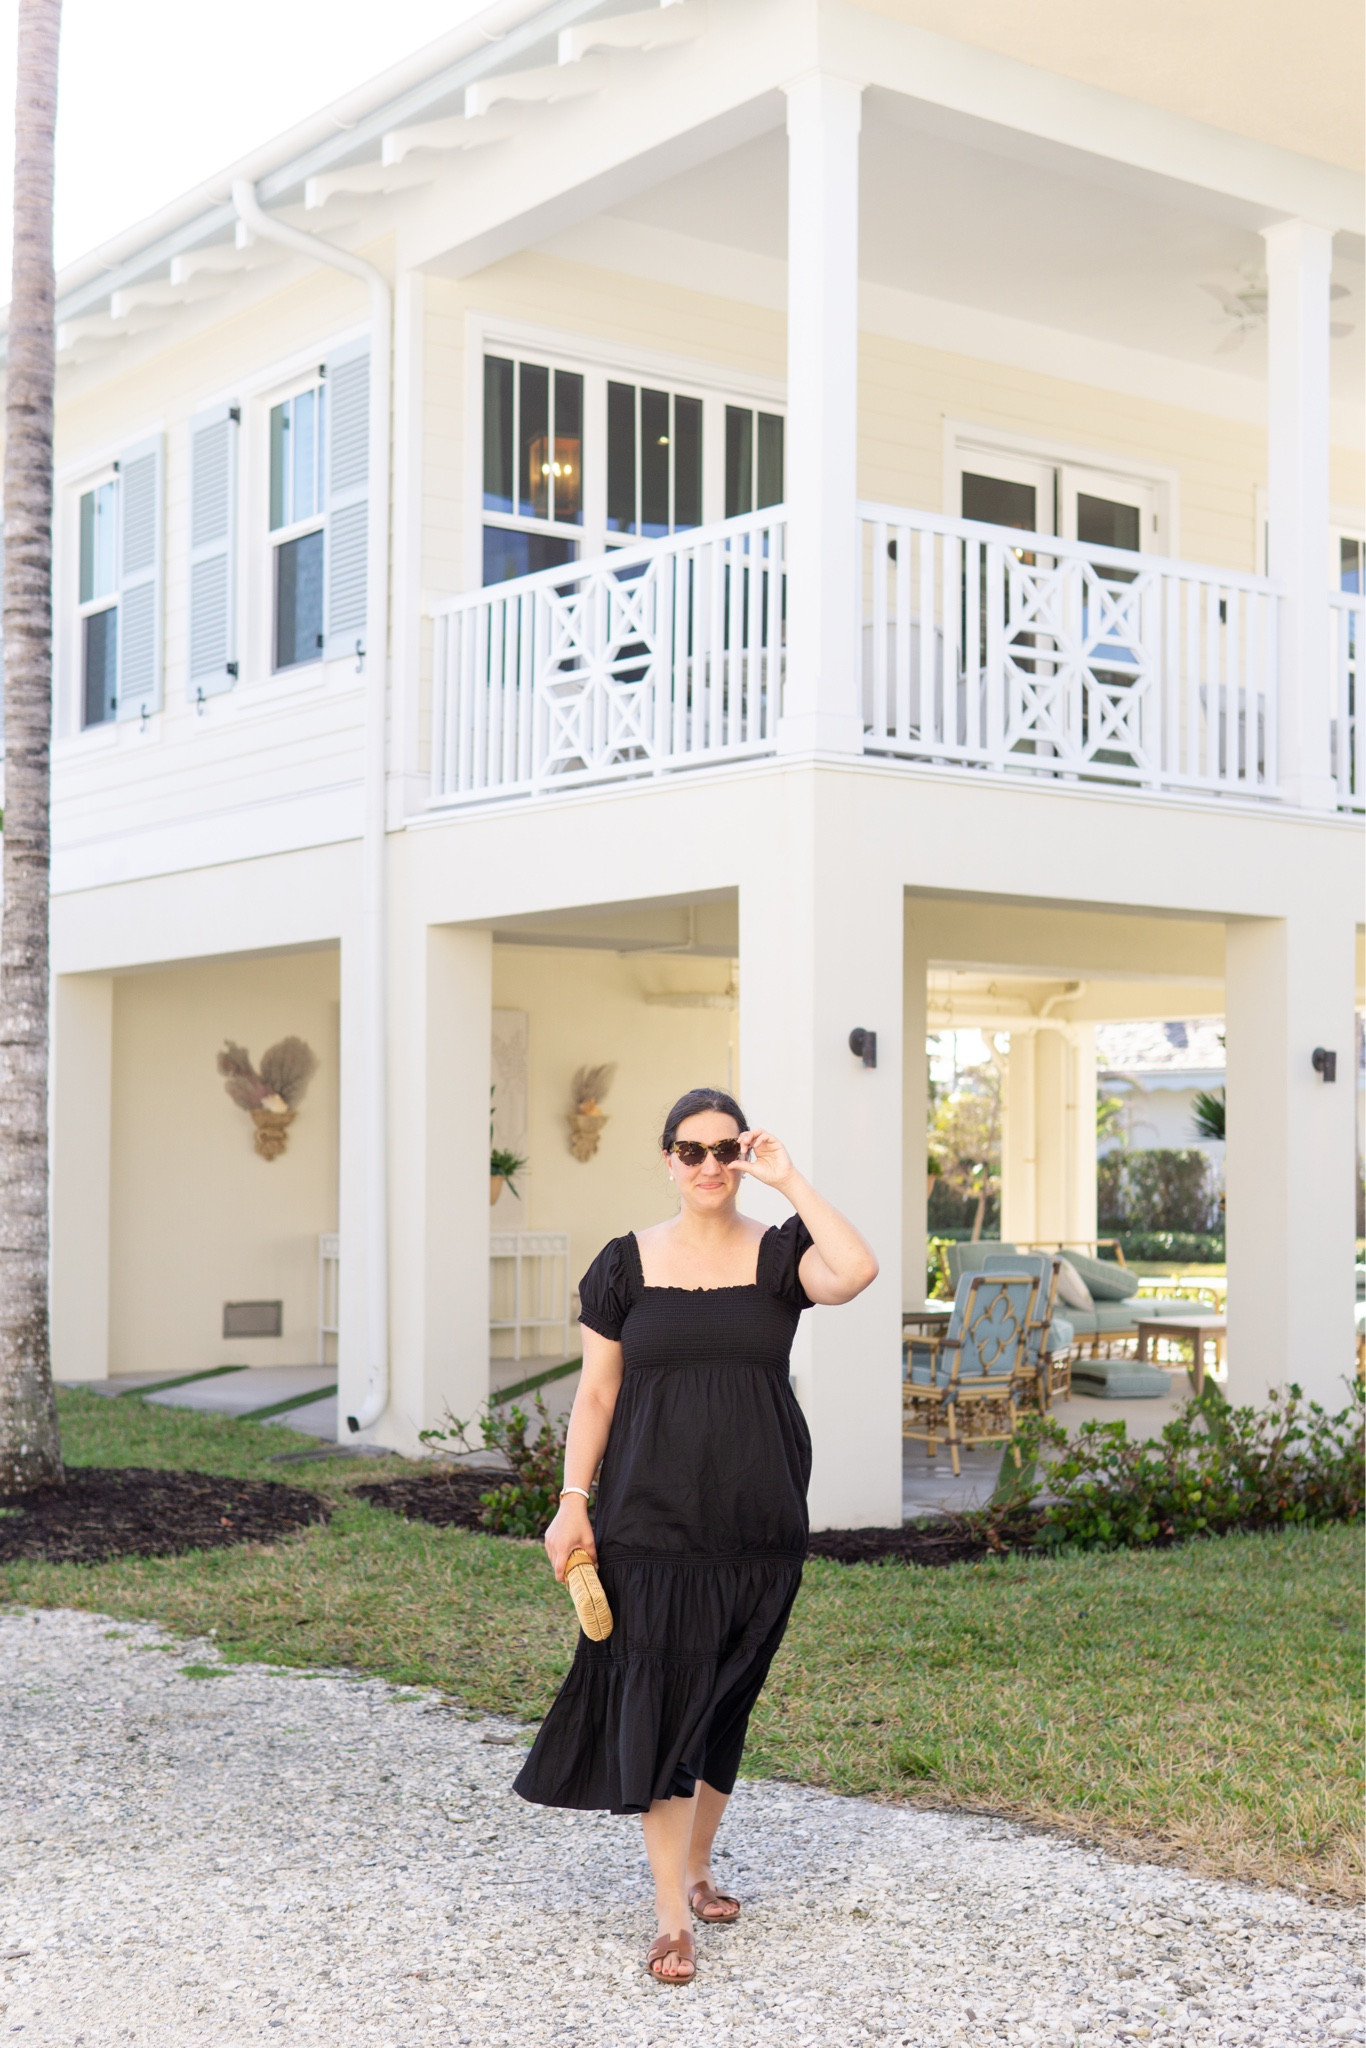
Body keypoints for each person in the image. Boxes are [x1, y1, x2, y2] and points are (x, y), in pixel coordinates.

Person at [514, 1086, 878, 1984]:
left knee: (724, 1703)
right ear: (667, 1159)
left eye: (726, 1149)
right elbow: (597, 1394)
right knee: (665, 1702)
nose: (710, 1165)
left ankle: (699, 1867)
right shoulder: (624, 1265)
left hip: (759, 1523)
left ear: (741, 1156)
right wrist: (571, 1500)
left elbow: (857, 1270)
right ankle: (671, 1919)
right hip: (650, 1524)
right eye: (692, 1150)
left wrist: (790, 1181)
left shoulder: (780, 1254)